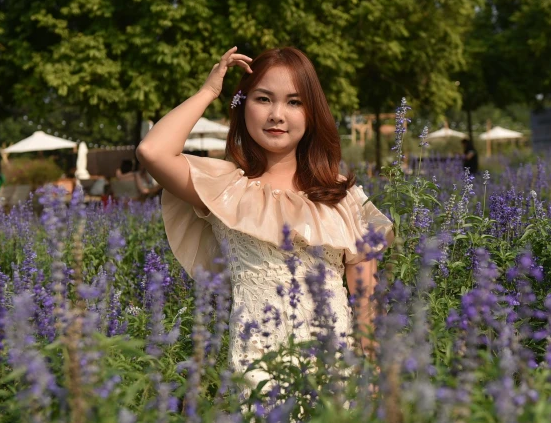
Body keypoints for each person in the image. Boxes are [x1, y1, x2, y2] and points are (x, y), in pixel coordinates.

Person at [137, 46, 393, 394]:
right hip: (256, 368)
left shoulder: (340, 195)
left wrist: (375, 375)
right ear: (243, 107)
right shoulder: (226, 188)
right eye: (262, 99)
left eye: (294, 102)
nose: (277, 114)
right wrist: (209, 91)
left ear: (312, 112)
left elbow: (366, 300)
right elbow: (152, 151)